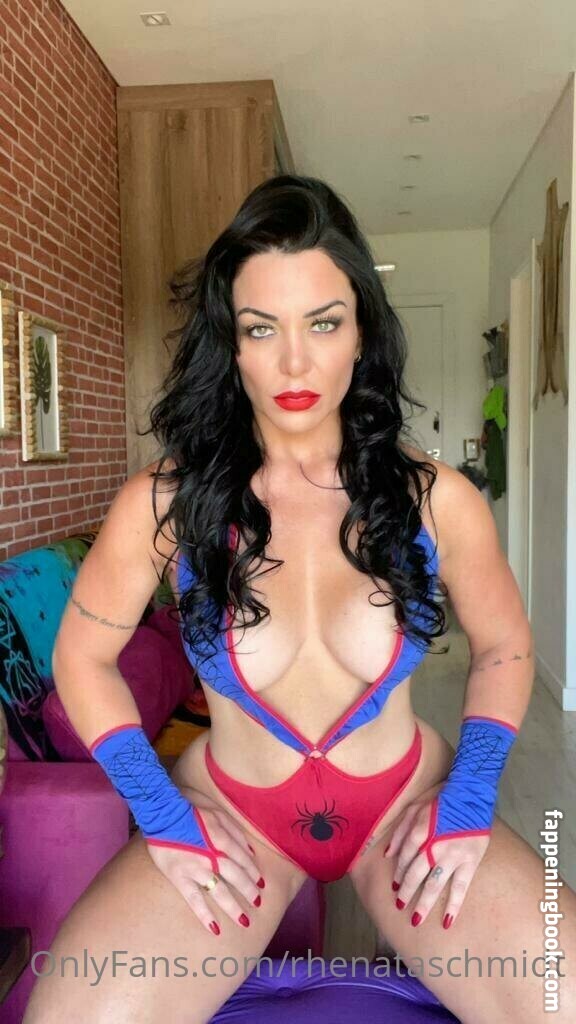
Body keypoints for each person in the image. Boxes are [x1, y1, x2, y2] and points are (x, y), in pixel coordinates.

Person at [25, 175, 575, 1023]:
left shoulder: (436, 501)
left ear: (362, 332)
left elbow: (504, 646)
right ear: (230, 343)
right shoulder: (165, 506)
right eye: (261, 328)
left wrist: (468, 798)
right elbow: (82, 659)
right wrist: (159, 813)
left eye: (323, 322)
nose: (294, 362)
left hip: (402, 806)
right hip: (234, 814)